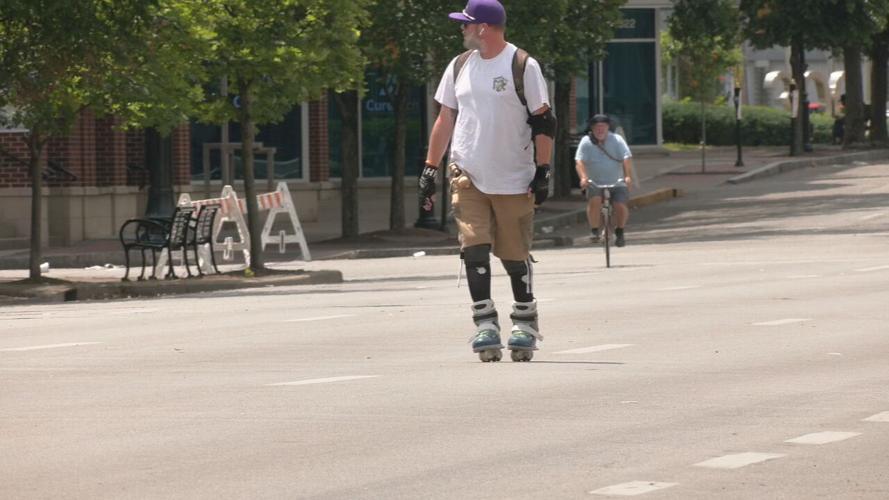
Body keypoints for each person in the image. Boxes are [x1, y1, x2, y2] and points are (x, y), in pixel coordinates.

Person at [418, 0, 555, 362]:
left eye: (465, 23)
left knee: (513, 255)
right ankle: (485, 324)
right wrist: (430, 168)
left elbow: (544, 122)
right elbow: (446, 118)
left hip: (513, 177)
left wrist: (543, 170)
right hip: (469, 174)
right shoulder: (459, 65)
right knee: (474, 247)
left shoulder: (522, 65)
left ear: (483, 27)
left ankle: (524, 322)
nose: (461, 28)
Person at [575, 114, 634, 247]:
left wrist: (627, 176)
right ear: (592, 128)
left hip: (617, 181)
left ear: (608, 127)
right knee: (595, 200)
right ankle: (594, 230)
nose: (600, 130)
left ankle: (620, 231)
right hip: (594, 182)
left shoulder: (617, 139)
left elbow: (626, 157)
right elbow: (579, 161)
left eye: (603, 126)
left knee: (620, 204)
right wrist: (583, 177)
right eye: (597, 127)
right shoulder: (586, 141)